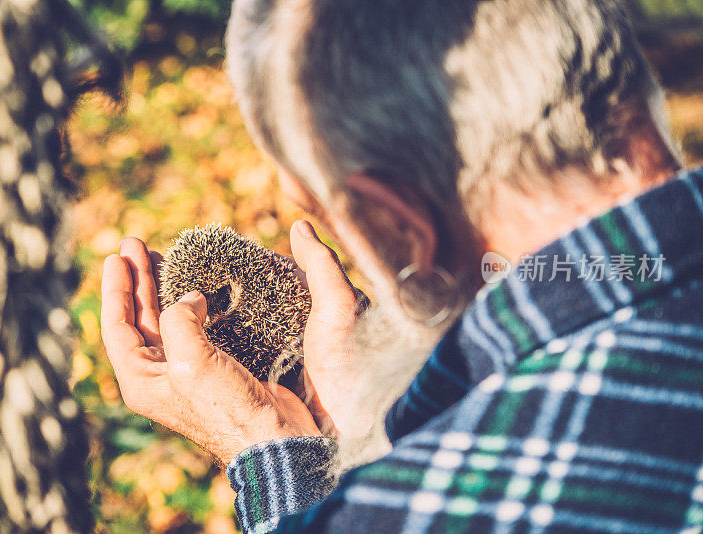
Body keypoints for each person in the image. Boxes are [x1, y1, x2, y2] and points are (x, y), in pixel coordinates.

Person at [101, 0, 703, 532]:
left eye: (323, 211)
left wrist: (269, 449)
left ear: (399, 225)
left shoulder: (442, 504)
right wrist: (363, 415)